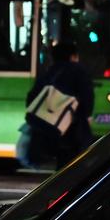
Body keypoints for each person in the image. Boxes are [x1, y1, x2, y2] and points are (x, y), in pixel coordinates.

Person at [24, 41, 94, 169]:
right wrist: (86, 116)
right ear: (72, 56)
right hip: (73, 129)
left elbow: (31, 98)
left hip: (51, 129)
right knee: (73, 165)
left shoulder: (49, 72)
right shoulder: (79, 72)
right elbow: (87, 98)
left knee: (61, 164)